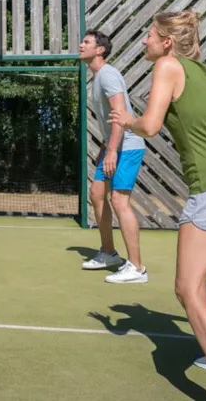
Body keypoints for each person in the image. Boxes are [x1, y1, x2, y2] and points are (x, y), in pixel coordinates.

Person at [109, 9, 206, 401]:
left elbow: (152, 125)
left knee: (187, 289)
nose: (144, 42)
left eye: (148, 36)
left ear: (167, 42)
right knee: (201, 280)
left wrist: (127, 120)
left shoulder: (167, 66)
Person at [79, 30, 148, 284]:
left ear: (100, 50)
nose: (81, 45)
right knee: (97, 195)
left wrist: (111, 151)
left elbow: (119, 113)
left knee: (119, 201)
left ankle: (137, 268)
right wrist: (106, 148)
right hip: (113, 145)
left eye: (86, 42)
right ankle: (109, 253)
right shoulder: (96, 78)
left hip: (127, 146)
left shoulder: (108, 74)